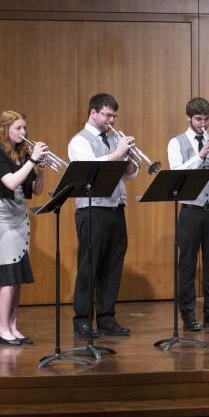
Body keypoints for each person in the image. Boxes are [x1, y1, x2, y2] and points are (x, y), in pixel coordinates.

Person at [67, 93, 138, 337]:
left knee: (112, 266)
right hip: (92, 208)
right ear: (93, 113)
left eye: (114, 116)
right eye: (107, 115)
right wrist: (118, 153)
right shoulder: (79, 141)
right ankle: (83, 320)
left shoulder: (112, 138)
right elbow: (89, 169)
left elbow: (130, 175)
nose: (111, 120)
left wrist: (128, 157)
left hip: (116, 208)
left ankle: (107, 318)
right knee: (89, 266)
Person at [166, 97, 209, 332]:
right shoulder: (176, 143)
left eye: (205, 119)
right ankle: (187, 315)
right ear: (189, 118)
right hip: (190, 212)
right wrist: (201, 155)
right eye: (198, 119)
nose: (202, 124)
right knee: (187, 265)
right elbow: (176, 173)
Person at [0, 110, 48, 345]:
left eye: (24, 128)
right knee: (8, 275)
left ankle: (13, 326)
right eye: (18, 128)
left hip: (20, 215)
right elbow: (11, 182)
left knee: (18, 275)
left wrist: (39, 168)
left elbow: (37, 190)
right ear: (5, 129)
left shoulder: (22, 155)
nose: (23, 132)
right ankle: (3, 330)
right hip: (2, 215)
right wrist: (32, 160)